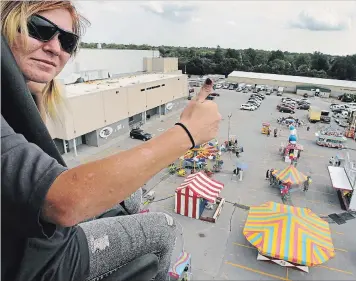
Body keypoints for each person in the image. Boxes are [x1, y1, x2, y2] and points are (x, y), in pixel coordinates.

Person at [1, 2, 222, 281]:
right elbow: (63, 203)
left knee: (131, 193)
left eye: (68, 41)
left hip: (34, 238)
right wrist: (188, 133)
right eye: (40, 30)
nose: (55, 48)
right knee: (164, 228)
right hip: (36, 261)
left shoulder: (19, 103)